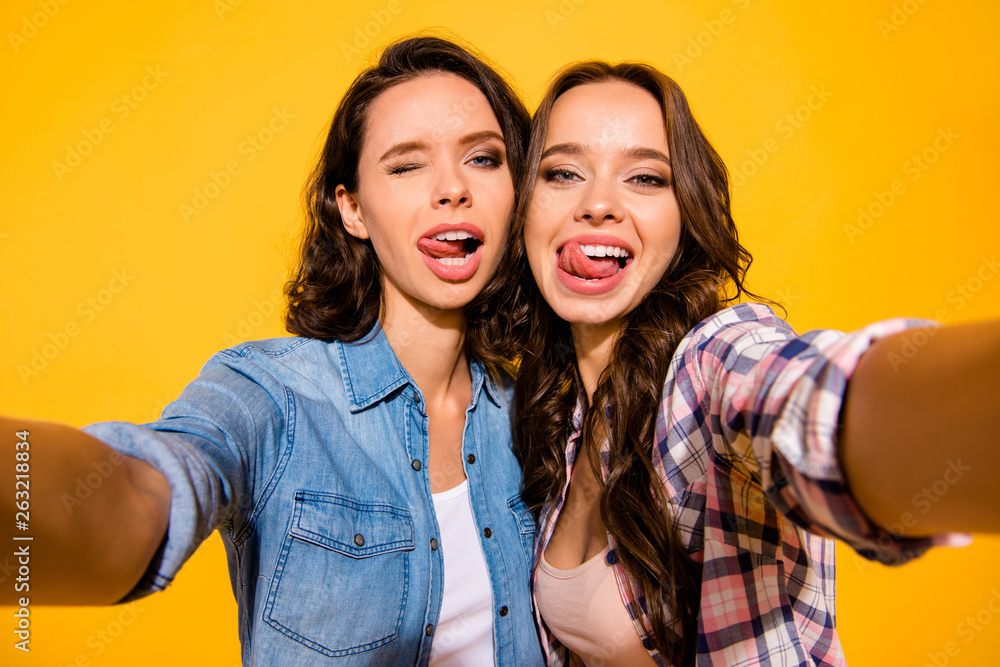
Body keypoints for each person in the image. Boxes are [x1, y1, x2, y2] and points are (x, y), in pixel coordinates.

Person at [1, 36, 545, 666]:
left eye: (483, 159)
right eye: (405, 166)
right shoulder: (269, 396)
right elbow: (140, 489)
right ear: (353, 210)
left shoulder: (538, 415)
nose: (452, 189)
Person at [508, 60, 999, 666]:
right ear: (523, 208)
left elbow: (801, 393)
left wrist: (943, 418)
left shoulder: (708, 362)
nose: (600, 203)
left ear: (685, 216)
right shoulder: (561, 427)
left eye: (645, 178)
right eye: (563, 172)